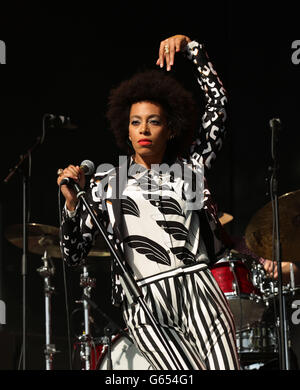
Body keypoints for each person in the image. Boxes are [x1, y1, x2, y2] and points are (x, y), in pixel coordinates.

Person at [57, 34, 240, 370]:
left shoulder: (190, 169)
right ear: (125, 131)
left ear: (170, 129)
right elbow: (73, 254)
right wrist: (71, 206)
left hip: (200, 287)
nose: (144, 129)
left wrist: (191, 49)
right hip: (145, 301)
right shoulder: (105, 184)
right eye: (135, 122)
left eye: (154, 121)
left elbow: (218, 107)